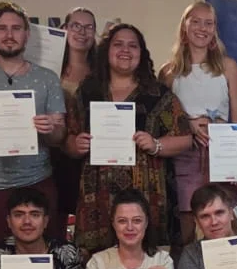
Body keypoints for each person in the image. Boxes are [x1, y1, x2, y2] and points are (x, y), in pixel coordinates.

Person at [68, 23, 192, 254]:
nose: (125, 50)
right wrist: (76, 145)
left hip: (148, 197)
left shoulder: (158, 94)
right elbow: (68, 138)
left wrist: (156, 145)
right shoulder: (88, 91)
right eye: (118, 44)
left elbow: (185, 138)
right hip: (97, 199)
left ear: (141, 54)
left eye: (132, 46)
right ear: (106, 51)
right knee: (98, 267)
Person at [0, 1, 66, 253]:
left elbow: (59, 136)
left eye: (16, 28)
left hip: (37, 180)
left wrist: (50, 128)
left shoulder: (47, 78)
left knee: (43, 259)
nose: (9, 35)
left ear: (27, 34)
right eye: (2, 28)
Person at [159, 1, 237, 242]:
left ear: (214, 29)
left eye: (208, 23)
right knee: (188, 222)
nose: (202, 28)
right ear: (184, 27)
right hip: (185, 153)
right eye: (195, 21)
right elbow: (163, 120)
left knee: (225, 221)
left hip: (221, 152)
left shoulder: (228, 67)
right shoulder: (169, 72)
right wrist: (188, 124)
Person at [49, 6, 97, 230]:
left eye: (88, 27)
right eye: (75, 26)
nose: (82, 32)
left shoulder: (102, 72)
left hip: (93, 156)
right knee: (57, 220)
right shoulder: (49, 71)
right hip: (54, 157)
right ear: (65, 29)